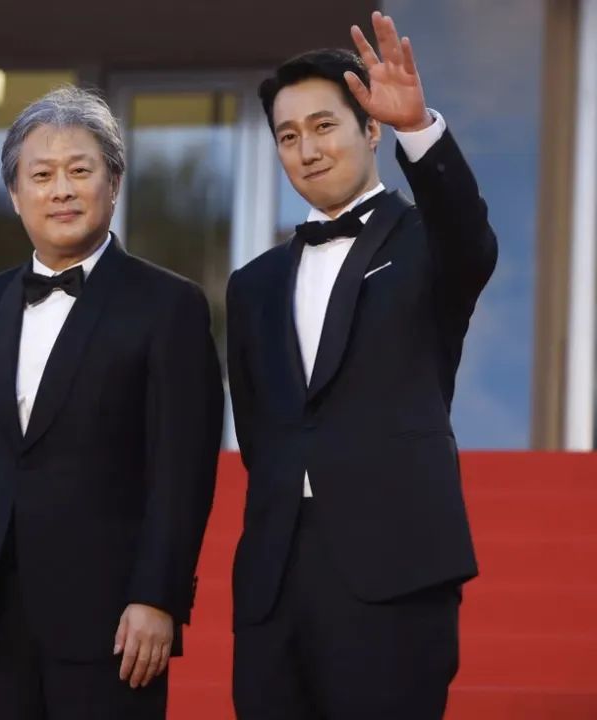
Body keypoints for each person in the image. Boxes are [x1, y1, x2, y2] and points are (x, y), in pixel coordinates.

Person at [0, 86, 224, 719]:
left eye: (80, 170)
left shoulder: (169, 306)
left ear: (114, 182)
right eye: (41, 175)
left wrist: (158, 597)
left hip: (113, 622)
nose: (61, 190)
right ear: (15, 194)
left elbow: (182, 472)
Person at [226, 12, 497, 719]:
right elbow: (260, 434)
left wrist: (419, 129)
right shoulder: (252, 284)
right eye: (288, 136)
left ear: (370, 130)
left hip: (395, 566)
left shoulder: (428, 243)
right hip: (275, 580)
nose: (307, 149)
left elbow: (470, 236)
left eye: (324, 126)